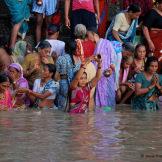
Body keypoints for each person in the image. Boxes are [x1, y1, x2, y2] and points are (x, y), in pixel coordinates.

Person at [87, 28, 116, 108]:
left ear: (95, 35)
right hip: (95, 76)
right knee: (96, 102)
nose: (90, 40)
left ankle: (107, 116)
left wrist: (111, 69)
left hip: (106, 76)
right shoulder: (90, 46)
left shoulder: (107, 43)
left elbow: (113, 60)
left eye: (90, 37)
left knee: (107, 102)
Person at [74, 24, 97, 110]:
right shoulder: (91, 43)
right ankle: (91, 117)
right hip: (92, 68)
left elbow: (77, 57)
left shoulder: (76, 43)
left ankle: (79, 117)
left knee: (81, 96)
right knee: (90, 96)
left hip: (83, 68)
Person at [55, 40, 80, 111]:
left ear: (65, 48)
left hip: (63, 83)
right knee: (73, 106)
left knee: (62, 108)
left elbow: (56, 76)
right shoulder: (79, 60)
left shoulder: (61, 58)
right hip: (75, 85)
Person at [143, 0, 162, 71]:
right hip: (153, 39)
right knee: (153, 58)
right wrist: (149, 42)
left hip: (160, 41)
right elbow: (145, 27)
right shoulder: (152, 12)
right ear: (158, 3)